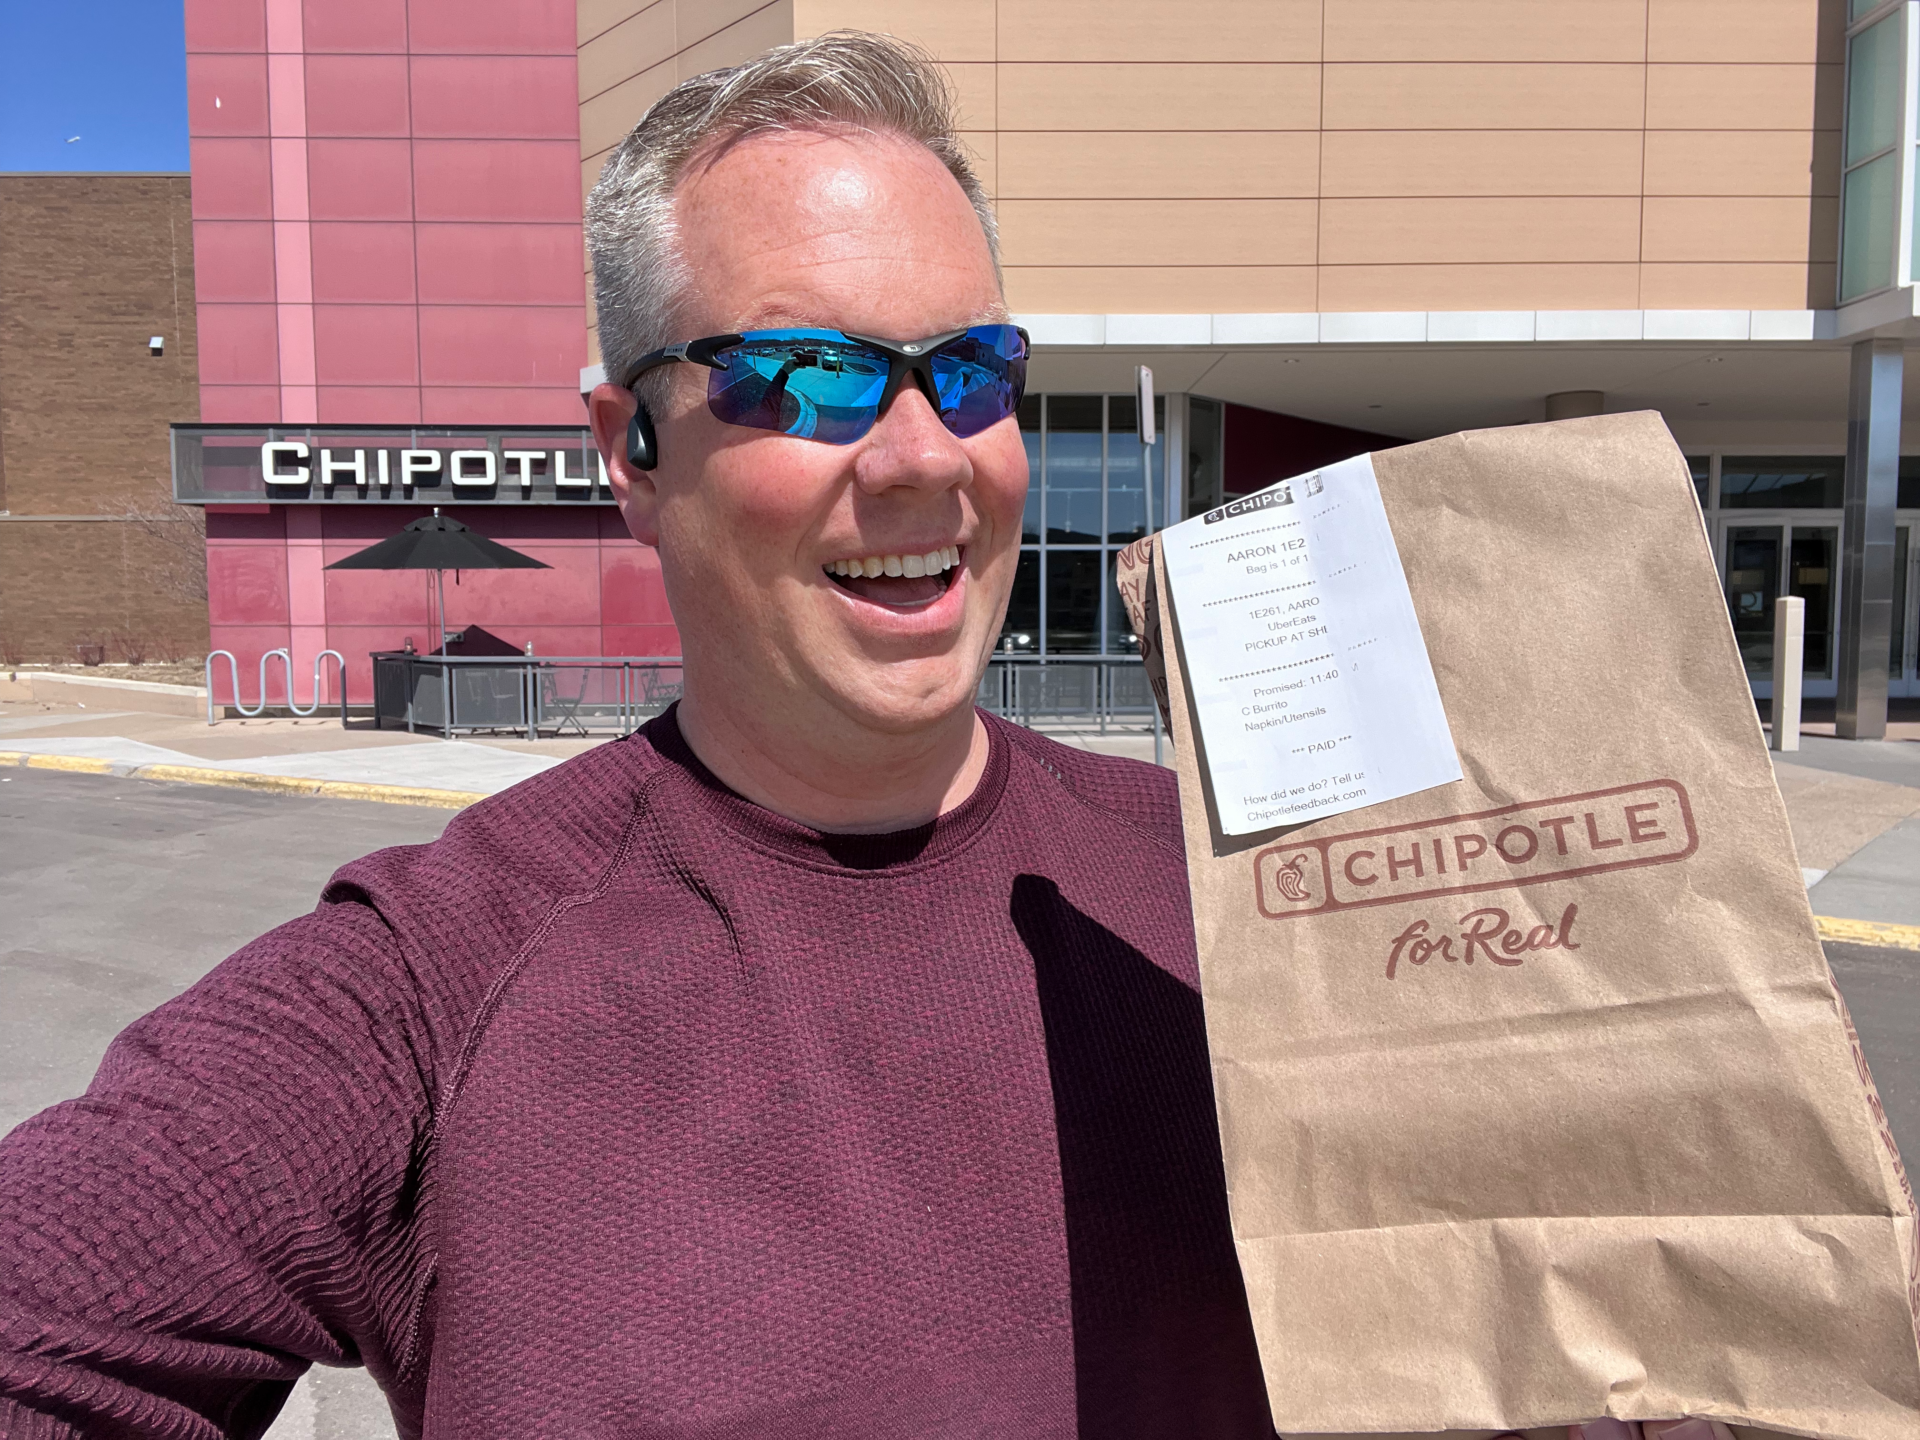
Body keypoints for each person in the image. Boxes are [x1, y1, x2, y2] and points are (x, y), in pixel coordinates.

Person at [0, 32, 1745, 1440]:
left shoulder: (1256, 890)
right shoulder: (437, 985)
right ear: (632, 450)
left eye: (970, 369)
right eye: (810, 378)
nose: (923, 455)